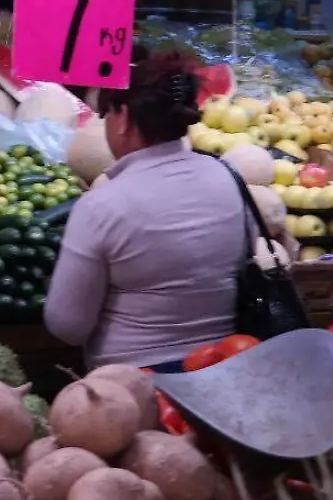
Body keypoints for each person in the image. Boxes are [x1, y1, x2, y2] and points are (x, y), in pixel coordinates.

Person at [44, 49, 248, 369]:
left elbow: (67, 326)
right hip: (223, 371)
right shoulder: (228, 178)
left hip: (133, 389)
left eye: (105, 114)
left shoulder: (101, 206)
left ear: (123, 118)